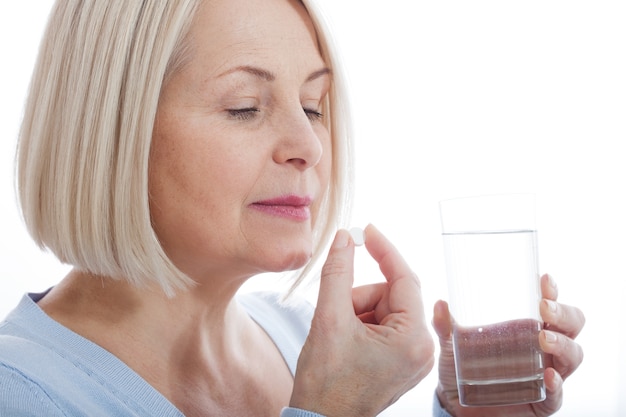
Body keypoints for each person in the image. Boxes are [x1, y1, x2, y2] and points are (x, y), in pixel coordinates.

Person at [0, 0, 585, 416]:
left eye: (312, 106)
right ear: (111, 132)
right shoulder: (17, 394)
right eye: (244, 107)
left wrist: (469, 414)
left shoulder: (307, 339)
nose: (308, 148)